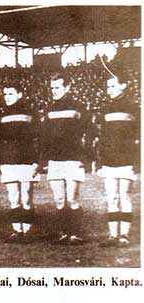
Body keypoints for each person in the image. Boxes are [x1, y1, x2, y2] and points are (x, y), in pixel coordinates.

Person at [41, 73, 89, 245]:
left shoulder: (79, 107)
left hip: (73, 159)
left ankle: (76, 233)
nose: (54, 91)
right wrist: (44, 160)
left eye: (57, 88)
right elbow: (44, 137)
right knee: (59, 199)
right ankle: (63, 232)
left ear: (67, 87)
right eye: (52, 88)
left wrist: (86, 156)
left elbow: (90, 132)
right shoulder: (49, 109)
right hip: (55, 161)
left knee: (72, 198)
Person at [96, 74, 140, 247]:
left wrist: (137, 162)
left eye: (113, 86)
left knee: (124, 196)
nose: (109, 90)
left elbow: (139, 136)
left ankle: (124, 236)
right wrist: (100, 162)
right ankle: (113, 236)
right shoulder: (105, 108)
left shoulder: (133, 107)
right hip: (109, 160)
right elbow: (102, 137)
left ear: (123, 85)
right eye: (108, 87)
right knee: (112, 197)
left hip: (127, 159)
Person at [0, 83, 40, 243]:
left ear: (20, 94)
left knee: (26, 196)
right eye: (5, 94)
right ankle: (17, 230)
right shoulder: (1, 115)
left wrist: (37, 161)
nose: (7, 97)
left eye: (10, 93)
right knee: (13, 196)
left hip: (27, 160)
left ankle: (27, 230)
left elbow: (38, 139)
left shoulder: (30, 113)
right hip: (9, 160)